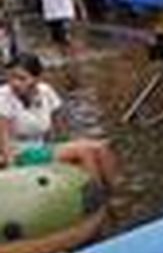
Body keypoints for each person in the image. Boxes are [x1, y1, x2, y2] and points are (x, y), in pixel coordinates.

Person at [0, 52, 119, 189]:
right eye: (11, 77)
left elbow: (57, 126)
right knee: (84, 151)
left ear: (37, 79)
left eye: (22, 79)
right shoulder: (3, 97)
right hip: (21, 153)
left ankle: (112, 192)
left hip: (42, 148)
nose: (15, 83)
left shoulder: (46, 92)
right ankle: (94, 200)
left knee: (102, 147)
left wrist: (61, 151)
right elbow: (5, 139)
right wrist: (13, 173)